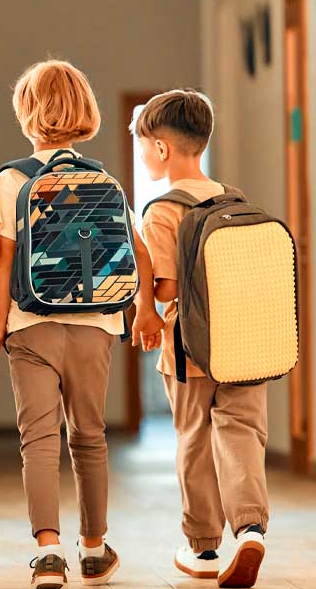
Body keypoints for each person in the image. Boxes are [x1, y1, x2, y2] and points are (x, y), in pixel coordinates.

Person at [0, 60, 162, 588]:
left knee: (37, 439)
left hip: (30, 320)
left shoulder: (12, 179)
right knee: (88, 437)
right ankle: (93, 549)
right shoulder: (103, 180)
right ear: (85, 113)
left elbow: (3, 260)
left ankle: (47, 554)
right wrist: (145, 310)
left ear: (26, 113)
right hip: (96, 325)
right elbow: (138, 252)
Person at [138, 89, 269, 588]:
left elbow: (169, 287)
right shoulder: (235, 199)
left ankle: (204, 548)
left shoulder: (162, 211)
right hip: (248, 344)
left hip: (190, 349)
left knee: (195, 441)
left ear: (162, 148)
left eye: (146, 146)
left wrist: (145, 295)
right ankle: (251, 529)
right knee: (242, 436)